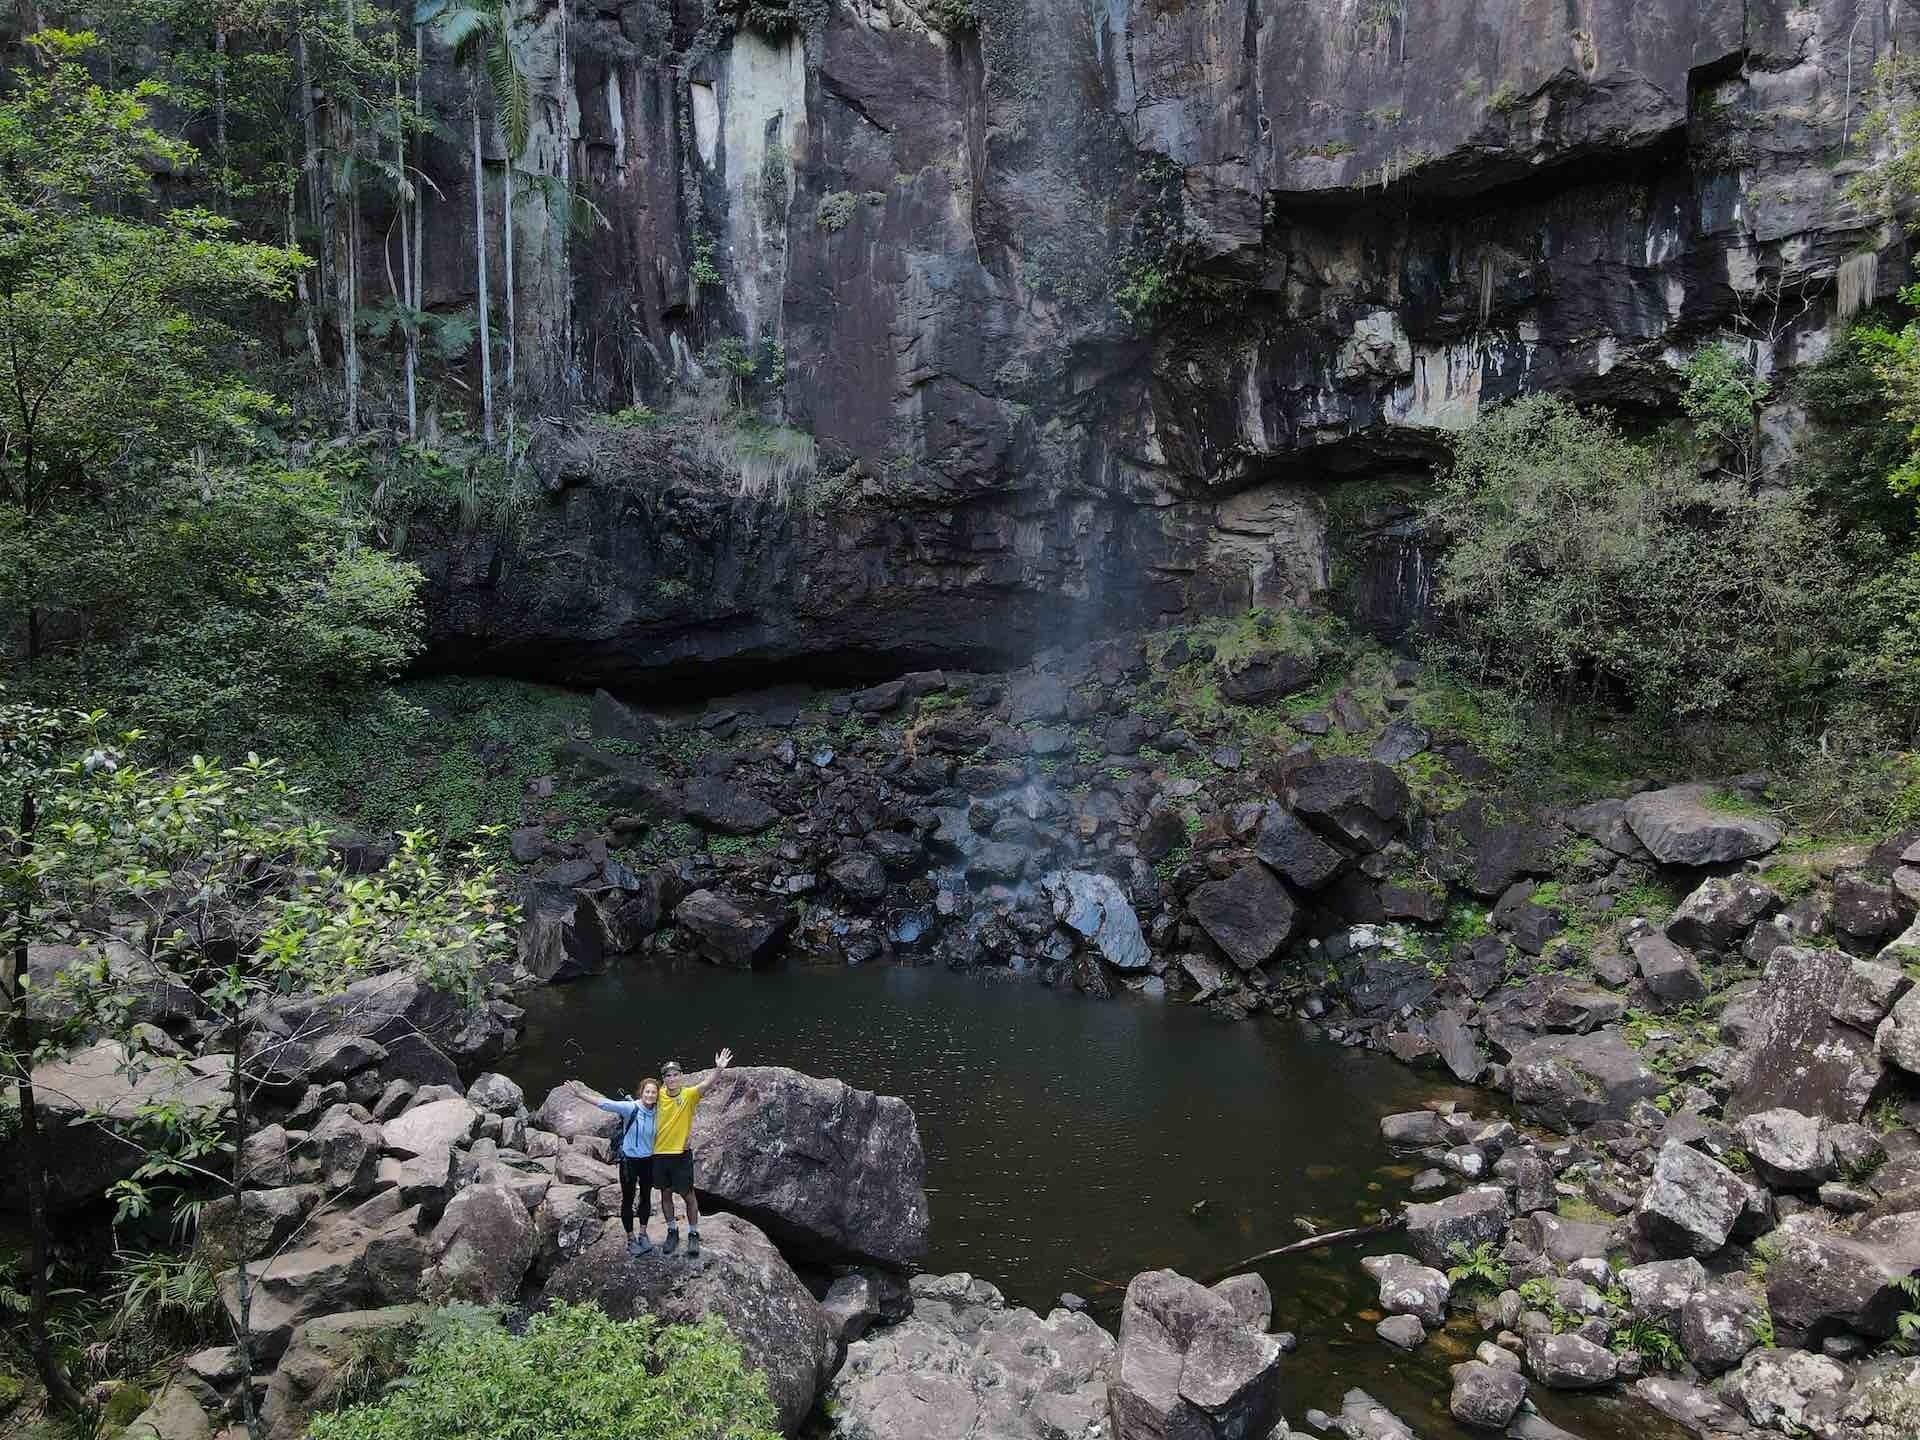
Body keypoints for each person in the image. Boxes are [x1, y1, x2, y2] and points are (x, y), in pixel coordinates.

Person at [653, 1047, 732, 1257]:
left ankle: (694, 1233)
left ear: (681, 1076)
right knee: (665, 1194)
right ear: (663, 1079)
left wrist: (719, 1069)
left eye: (675, 1074)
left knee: (688, 1195)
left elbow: (706, 1084)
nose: (672, 1078)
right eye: (668, 1076)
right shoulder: (657, 1096)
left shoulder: (688, 1095)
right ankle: (672, 1231)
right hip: (659, 1154)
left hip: (681, 1154)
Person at [576, 1076, 660, 1256]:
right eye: (647, 1091)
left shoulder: (658, 1111)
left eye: (654, 1092)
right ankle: (630, 1238)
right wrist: (580, 1094)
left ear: (657, 1095)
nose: (650, 1095)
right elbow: (606, 1104)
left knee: (646, 1197)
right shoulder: (631, 1108)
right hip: (629, 1162)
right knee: (628, 1199)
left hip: (648, 1160)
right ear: (641, 1092)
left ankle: (643, 1233)